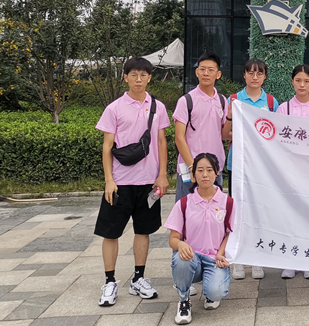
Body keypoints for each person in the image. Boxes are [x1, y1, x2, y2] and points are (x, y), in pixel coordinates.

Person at [95, 57, 171, 307]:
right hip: (120, 183)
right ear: (125, 77)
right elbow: (107, 146)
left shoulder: (158, 107)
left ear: (150, 78)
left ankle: (139, 278)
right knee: (110, 232)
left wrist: (162, 174)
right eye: (134, 75)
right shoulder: (114, 108)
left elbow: (161, 141)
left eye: (143, 75)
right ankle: (109, 281)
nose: (139, 79)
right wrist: (109, 180)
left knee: (143, 230)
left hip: (148, 182)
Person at [223, 59, 277, 281]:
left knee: (258, 211)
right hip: (238, 163)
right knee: (237, 211)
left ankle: (257, 257)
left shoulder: (271, 101)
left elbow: (275, 134)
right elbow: (224, 134)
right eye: (251, 73)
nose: (255, 77)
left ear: (265, 77)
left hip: (261, 167)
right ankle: (238, 258)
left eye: (259, 73)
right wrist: (230, 116)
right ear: (244, 75)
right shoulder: (233, 99)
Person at [166, 153, 234, 325]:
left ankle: (211, 292)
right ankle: (183, 299)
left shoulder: (228, 202)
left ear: (217, 172)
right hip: (192, 258)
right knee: (180, 259)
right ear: (193, 174)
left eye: (209, 170)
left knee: (215, 292)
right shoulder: (184, 203)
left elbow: (230, 233)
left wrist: (221, 253)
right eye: (200, 170)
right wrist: (180, 244)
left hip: (215, 259)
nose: (205, 175)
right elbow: (173, 239)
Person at [275, 64, 309, 280]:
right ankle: (290, 261)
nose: (302, 85)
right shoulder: (283, 109)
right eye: (298, 80)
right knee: (290, 214)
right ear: (292, 81)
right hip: (289, 172)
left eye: (306, 81)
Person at [173, 52, 230, 202]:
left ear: (218, 74)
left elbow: (223, 135)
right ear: (196, 72)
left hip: (214, 169)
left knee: (214, 212)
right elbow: (179, 138)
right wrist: (192, 167)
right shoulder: (186, 101)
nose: (206, 73)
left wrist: (231, 118)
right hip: (191, 170)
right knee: (186, 213)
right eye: (202, 69)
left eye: (211, 70)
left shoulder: (222, 101)